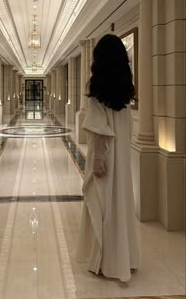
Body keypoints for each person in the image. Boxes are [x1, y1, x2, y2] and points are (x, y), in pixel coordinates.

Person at [77, 34, 139, 282]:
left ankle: (104, 261)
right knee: (120, 205)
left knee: (102, 207)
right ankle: (125, 258)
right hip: (121, 159)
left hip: (105, 159)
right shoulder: (126, 93)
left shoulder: (97, 93)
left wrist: (97, 161)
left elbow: (99, 131)